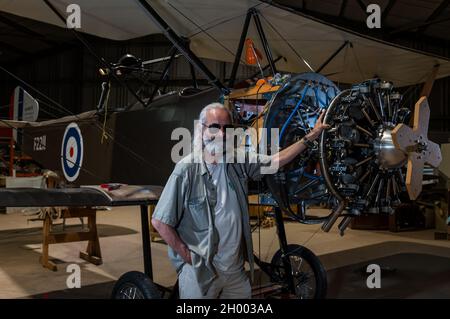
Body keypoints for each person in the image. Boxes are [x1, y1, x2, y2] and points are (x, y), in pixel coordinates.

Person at [151, 102, 328, 299]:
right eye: (214, 127)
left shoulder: (238, 160)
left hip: (234, 269)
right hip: (202, 270)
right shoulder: (186, 169)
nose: (221, 134)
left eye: (227, 128)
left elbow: (275, 162)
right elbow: (160, 222)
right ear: (201, 130)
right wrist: (187, 256)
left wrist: (311, 136)